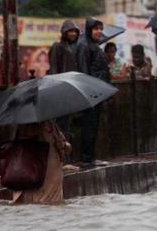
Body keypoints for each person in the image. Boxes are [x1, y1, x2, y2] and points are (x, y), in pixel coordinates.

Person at [76, 17, 110, 169]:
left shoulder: (94, 45)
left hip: (97, 91)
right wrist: (89, 91)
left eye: (101, 29)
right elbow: (84, 70)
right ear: (89, 30)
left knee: (94, 125)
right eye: (96, 29)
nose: (99, 32)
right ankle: (86, 158)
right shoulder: (84, 45)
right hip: (90, 92)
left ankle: (90, 157)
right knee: (89, 126)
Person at [9, 121, 69, 204]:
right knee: (49, 202)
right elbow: (62, 146)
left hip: (25, 169)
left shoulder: (18, 127)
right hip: (48, 170)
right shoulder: (48, 125)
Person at [49, 19, 80, 171]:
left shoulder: (71, 48)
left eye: (75, 31)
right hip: (61, 91)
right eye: (70, 31)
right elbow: (54, 69)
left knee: (66, 126)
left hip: (69, 90)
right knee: (60, 128)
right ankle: (61, 161)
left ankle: (65, 160)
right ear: (64, 32)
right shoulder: (58, 47)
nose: (73, 34)